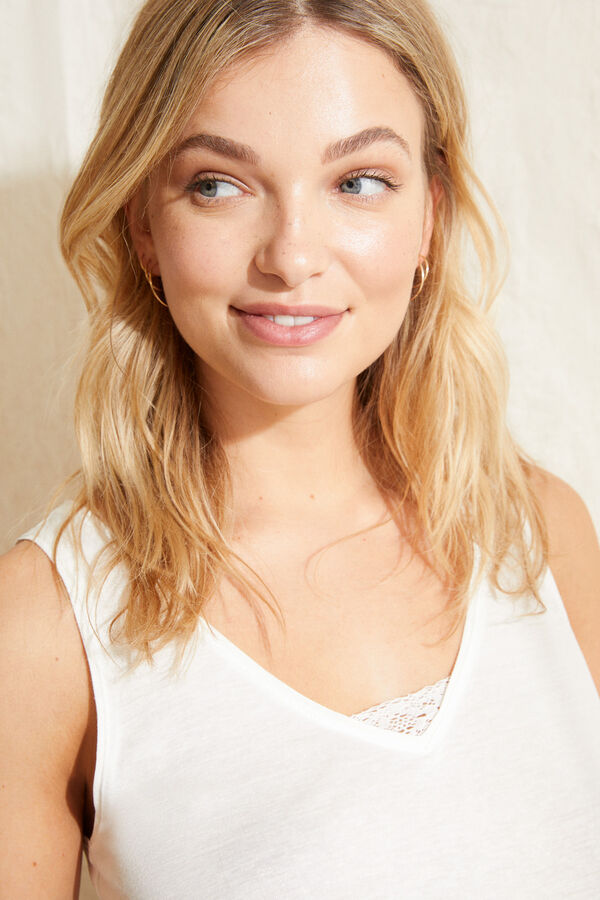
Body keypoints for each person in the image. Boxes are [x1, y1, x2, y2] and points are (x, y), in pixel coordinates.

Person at [1, 0, 599, 896]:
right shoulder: (44, 624)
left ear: (430, 217)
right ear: (143, 226)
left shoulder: (539, 529)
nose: (291, 256)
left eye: (358, 181)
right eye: (218, 184)